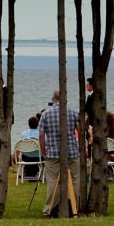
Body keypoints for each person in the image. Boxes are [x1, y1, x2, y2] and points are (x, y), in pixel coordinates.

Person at [38, 89, 80, 217]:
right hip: (71, 151)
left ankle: (49, 208)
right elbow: (80, 130)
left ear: (53, 99)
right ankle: (74, 206)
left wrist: (43, 151)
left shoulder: (46, 113)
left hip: (53, 152)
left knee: (51, 181)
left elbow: (41, 134)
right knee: (75, 179)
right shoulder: (73, 112)